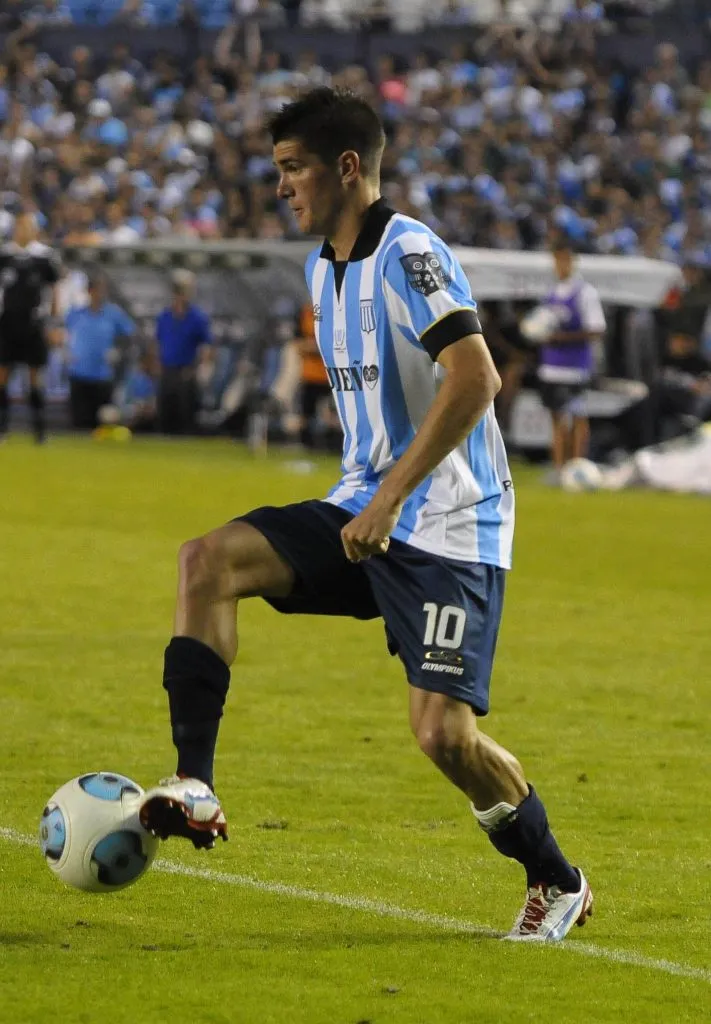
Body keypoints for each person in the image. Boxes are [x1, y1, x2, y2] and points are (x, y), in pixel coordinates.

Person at [140, 88, 592, 942]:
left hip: (453, 524)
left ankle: (555, 878)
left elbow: (475, 378)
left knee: (442, 738)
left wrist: (392, 496)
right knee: (207, 562)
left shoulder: (411, 253)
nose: (280, 186)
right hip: (361, 506)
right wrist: (372, 494)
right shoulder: (322, 265)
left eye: (292, 168)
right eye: (277, 169)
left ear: (347, 167)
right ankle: (193, 783)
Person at [536, 242, 606, 476]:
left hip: (575, 366)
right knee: (555, 417)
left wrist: (562, 337)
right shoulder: (551, 292)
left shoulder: (585, 292)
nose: (560, 265)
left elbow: (596, 328)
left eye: (564, 260)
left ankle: (576, 467)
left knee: (577, 417)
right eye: (557, 260)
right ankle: (558, 467)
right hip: (551, 366)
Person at [0, 212, 61, 443]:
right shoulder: (5, 254)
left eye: (27, 226)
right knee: (2, 374)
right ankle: (3, 427)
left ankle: (39, 429)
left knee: (35, 377)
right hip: (7, 321)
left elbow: (54, 291)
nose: (23, 230)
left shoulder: (44, 257)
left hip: (33, 322)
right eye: (20, 226)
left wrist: (55, 323)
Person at [65, 272, 135, 430]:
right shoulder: (76, 313)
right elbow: (63, 334)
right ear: (89, 291)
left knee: (102, 422)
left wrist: (117, 351)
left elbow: (130, 336)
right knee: (79, 421)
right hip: (79, 372)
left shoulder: (113, 314)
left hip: (102, 374)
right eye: (97, 289)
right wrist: (67, 351)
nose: (100, 293)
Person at [154, 271, 212, 435]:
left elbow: (207, 346)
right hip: (167, 370)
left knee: (185, 414)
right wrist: (157, 365)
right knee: (165, 412)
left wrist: (197, 368)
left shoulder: (197, 318)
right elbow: (158, 342)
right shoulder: (165, 316)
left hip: (186, 371)